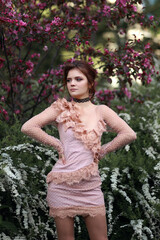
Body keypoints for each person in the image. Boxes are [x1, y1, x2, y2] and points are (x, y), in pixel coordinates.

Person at [21, 60, 137, 240]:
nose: (72, 83)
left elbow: (128, 133)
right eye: (68, 80)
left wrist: (103, 150)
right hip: (62, 185)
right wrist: (57, 144)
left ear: (90, 83)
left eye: (78, 79)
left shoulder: (101, 110)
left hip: (91, 186)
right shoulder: (61, 108)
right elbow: (28, 127)